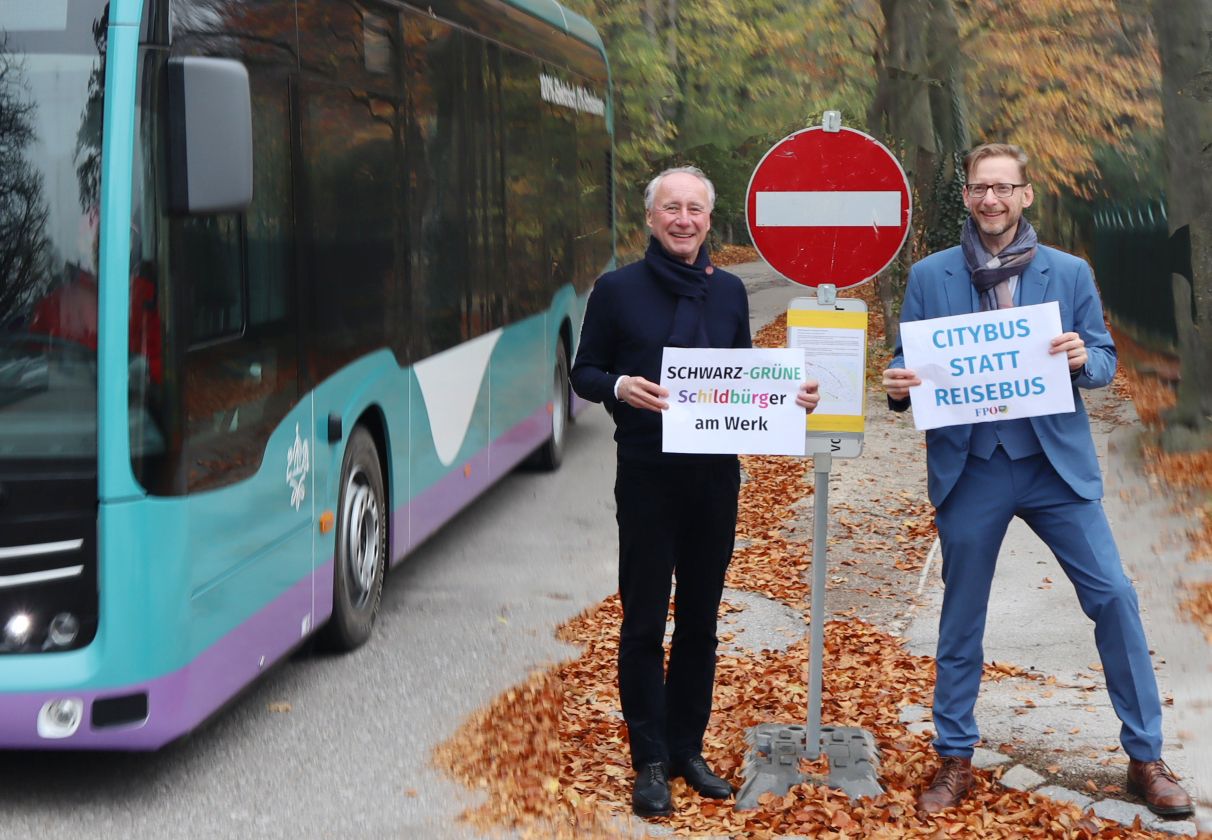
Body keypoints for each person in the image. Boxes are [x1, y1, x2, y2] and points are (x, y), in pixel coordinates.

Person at [883, 143, 1193, 818]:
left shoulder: (1069, 272)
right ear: (966, 196)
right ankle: (955, 756)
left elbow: (1105, 359)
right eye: (978, 189)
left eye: (1003, 188)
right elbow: (907, 362)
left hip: (1055, 467)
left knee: (1114, 596)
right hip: (972, 467)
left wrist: (1086, 357)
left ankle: (1146, 756)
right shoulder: (932, 276)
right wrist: (900, 387)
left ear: (1026, 195)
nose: (990, 200)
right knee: (961, 617)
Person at [570, 166, 821, 818]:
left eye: (695, 209)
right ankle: (649, 761)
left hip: (714, 478)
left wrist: (785, 399)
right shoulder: (618, 291)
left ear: (710, 219)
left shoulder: (730, 291)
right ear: (652, 219)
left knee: (702, 623)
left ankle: (687, 748)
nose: (684, 219)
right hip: (649, 473)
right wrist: (621, 387)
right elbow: (585, 371)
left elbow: (739, 379)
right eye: (672, 209)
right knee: (646, 620)